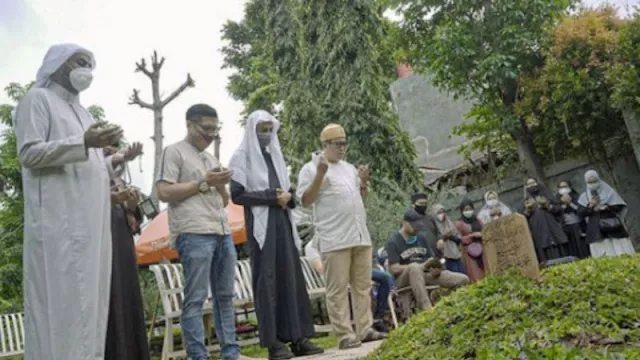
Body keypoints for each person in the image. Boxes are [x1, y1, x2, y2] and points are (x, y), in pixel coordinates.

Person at [14, 43, 125, 360]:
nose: (86, 69)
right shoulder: (38, 100)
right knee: (60, 306)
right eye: (80, 61)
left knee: (91, 305)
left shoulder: (83, 112)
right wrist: (84, 141)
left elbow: (88, 164)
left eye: (91, 63)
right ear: (59, 64)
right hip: (57, 227)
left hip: (90, 228)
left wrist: (113, 160)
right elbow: (29, 153)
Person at [229, 110, 323, 359]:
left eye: (270, 129)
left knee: (291, 277)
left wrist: (287, 198)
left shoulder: (274, 154)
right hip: (262, 226)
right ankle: (274, 343)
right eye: (262, 129)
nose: (267, 134)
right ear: (252, 130)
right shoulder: (241, 156)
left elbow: (286, 191)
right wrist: (272, 197)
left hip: (283, 221)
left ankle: (299, 338)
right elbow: (237, 194)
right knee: (268, 281)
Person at [156, 104, 240, 360]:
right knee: (196, 298)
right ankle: (197, 356)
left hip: (221, 231)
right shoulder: (174, 152)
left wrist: (221, 184)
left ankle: (230, 353)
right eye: (206, 128)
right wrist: (204, 182)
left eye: (215, 129)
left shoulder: (211, 159)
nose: (211, 134)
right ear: (190, 124)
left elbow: (223, 200)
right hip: (193, 232)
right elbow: (164, 192)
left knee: (225, 297)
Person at [297, 123, 386, 349]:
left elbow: (359, 199)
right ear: (325, 145)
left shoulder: (348, 168)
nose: (342, 148)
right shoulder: (310, 168)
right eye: (337, 144)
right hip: (335, 238)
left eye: (344, 143)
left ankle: (365, 329)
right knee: (337, 289)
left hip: (359, 235)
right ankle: (344, 334)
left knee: (362, 286)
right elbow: (306, 201)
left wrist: (363, 182)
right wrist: (320, 175)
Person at [103, 141, 150, 360]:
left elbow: (134, 219)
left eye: (115, 147)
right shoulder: (89, 178)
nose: (113, 151)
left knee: (128, 299)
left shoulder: (120, 179)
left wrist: (131, 206)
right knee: (110, 302)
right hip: (101, 247)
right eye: (107, 147)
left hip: (123, 245)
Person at [386, 210, 470, 311]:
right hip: (404, 278)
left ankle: (443, 303)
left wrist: (436, 267)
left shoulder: (421, 237)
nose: (416, 228)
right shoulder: (393, 240)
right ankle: (427, 309)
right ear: (404, 223)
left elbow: (431, 257)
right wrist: (419, 266)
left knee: (463, 279)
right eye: (413, 225)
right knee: (414, 267)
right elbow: (394, 268)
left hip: (426, 274)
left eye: (418, 225)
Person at [304, 242, 393, 333]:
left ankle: (378, 318)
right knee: (359, 284)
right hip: (336, 277)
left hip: (354, 271)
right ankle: (351, 329)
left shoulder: (338, 238)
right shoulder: (311, 246)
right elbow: (322, 269)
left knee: (385, 278)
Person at [577, 170, 635, 257]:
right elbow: (580, 213)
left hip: (613, 228)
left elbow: (619, 206)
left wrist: (607, 207)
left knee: (622, 253)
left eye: (595, 181)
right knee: (604, 255)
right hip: (596, 231)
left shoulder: (609, 192)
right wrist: (591, 206)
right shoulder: (584, 197)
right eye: (590, 182)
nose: (593, 184)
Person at [522, 177, 569, 264]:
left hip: (554, 232)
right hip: (540, 236)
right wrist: (528, 210)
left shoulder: (548, 196)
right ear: (526, 187)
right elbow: (523, 219)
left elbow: (559, 209)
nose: (532, 185)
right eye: (529, 184)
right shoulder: (525, 202)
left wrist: (547, 206)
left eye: (533, 182)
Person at [555, 179, 590, 259]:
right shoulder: (557, 199)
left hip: (579, 227)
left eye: (565, 186)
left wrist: (570, 203)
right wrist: (563, 205)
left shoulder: (576, 196)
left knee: (583, 248)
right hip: (566, 229)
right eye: (561, 187)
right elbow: (557, 212)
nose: (563, 189)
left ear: (570, 187)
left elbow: (581, 210)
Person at [455, 199, 485, 282]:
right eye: (465, 210)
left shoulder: (478, 220)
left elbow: (485, 231)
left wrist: (481, 235)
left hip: (482, 248)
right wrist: (471, 236)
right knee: (475, 273)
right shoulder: (459, 223)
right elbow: (458, 238)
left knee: (485, 269)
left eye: (470, 209)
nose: (468, 211)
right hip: (469, 252)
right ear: (461, 211)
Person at [432, 204, 464, 274]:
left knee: (462, 273)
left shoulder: (449, 223)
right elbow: (435, 242)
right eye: (439, 212)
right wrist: (444, 237)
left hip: (456, 254)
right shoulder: (433, 226)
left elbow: (458, 238)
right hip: (444, 256)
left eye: (443, 212)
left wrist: (451, 236)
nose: (441, 214)